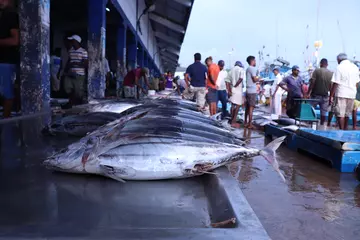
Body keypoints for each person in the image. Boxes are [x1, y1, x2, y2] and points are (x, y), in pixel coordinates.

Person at [329, 53, 360, 130]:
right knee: (347, 114)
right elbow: (356, 83)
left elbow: (336, 83)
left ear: (339, 59)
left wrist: (331, 96)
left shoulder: (339, 67)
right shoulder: (355, 67)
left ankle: (341, 130)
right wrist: (354, 91)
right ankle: (345, 130)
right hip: (352, 94)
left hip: (341, 93)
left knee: (340, 114)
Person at [0, 0, 19, 118]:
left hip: (6, 61)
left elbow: (15, 40)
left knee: (7, 94)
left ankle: (6, 123)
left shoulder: (11, 16)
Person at [62, 35, 88, 108]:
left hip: (79, 74)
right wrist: (66, 69)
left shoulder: (83, 51)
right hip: (70, 73)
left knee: (78, 92)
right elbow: (69, 60)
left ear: (76, 42)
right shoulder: (71, 50)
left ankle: (78, 104)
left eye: (72, 40)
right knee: (67, 87)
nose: (71, 42)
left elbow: (86, 64)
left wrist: (76, 63)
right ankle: (72, 102)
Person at [307, 58, 333, 125]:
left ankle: (310, 124)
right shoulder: (331, 73)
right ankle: (322, 124)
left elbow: (312, 82)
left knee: (311, 110)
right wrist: (331, 96)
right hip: (325, 96)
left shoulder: (316, 71)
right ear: (327, 64)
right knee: (323, 112)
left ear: (320, 64)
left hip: (315, 95)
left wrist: (308, 92)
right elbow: (331, 86)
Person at [245, 56, 261, 129]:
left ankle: (246, 122)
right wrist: (259, 79)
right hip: (252, 91)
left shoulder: (248, 68)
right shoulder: (252, 68)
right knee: (251, 107)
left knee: (247, 107)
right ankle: (250, 124)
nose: (255, 62)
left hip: (248, 90)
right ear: (252, 61)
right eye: (254, 61)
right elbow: (255, 79)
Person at [228, 61, 245, 128]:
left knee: (232, 105)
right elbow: (241, 79)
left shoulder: (231, 70)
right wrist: (236, 85)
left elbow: (227, 81)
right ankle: (233, 121)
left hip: (232, 89)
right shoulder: (241, 70)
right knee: (238, 105)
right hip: (238, 89)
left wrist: (229, 89)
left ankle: (232, 119)